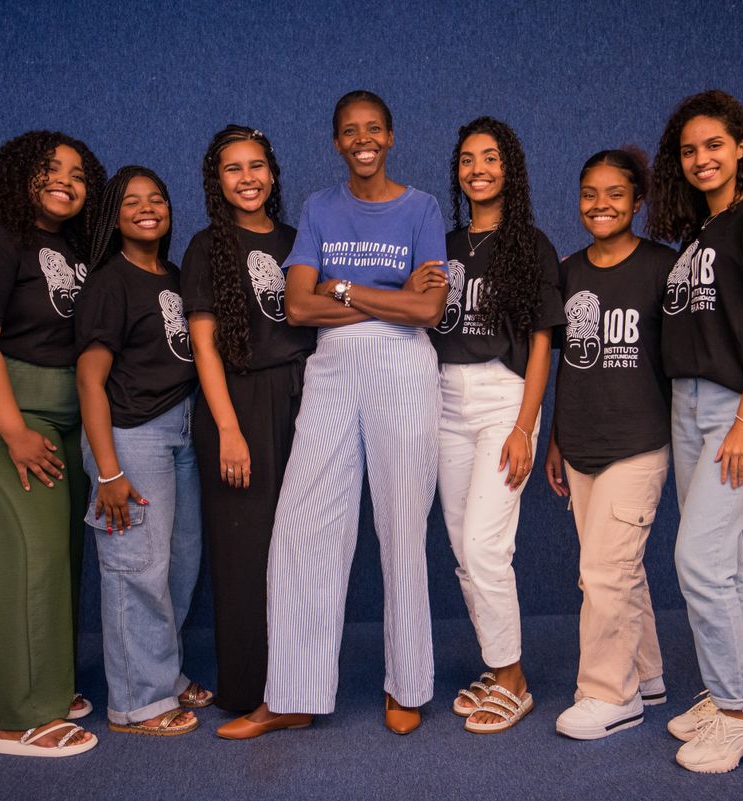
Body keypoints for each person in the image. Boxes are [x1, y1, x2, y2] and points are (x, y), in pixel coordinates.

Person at [216, 90, 448, 739]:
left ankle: (407, 685)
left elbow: (428, 312)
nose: (363, 138)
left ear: (391, 137)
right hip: (332, 368)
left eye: (374, 128)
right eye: (350, 131)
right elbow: (298, 307)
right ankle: (292, 691)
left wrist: (341, 287)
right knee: (299, 528)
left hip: (404, 367)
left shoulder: (422, 208)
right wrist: (390, 297)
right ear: (337, 142)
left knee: (401, 528)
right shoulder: (319, 207)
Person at [0, 130, 105, 757]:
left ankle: (51, 685)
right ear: (18, 175)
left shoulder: (74, 249)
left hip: (60, 417)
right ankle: (24, 719)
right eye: (50, 168)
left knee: (61, 551)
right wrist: (13, 431)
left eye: (79, 174)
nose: (66, 179)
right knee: (29, 547)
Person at [647, 89, 743, 773]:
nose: (702, 158)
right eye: (689, 150)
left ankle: (741, 719)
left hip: (736, 408)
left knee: (698, 559)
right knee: (723, 562)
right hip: (688, 406)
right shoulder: (695, 237)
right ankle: (733, 694)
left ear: (741, 147)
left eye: (714, 145)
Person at [420, 116, 563, 733]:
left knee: (485, 545)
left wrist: (525, 426)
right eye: (468, 160)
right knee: (462, 548)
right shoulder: (443, 243)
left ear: (511, 169)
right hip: (443, 400)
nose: (478, 169)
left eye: (491, 158)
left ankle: (515, 678)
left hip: (502, 401)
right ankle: (496, 662)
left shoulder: (531, 244)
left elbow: (540, 344)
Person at [542, 148, 676, 740]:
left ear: (637, 201)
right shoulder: (568, 272)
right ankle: (646, 675)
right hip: (580, 444)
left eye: (615, 194)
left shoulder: (663, 269)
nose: (601, 205)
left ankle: (609, 695)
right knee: (617, 570)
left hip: (639, 443)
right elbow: (562, 365)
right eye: (590, 194)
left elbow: (701, 344)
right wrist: (554, 439)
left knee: (603, 571)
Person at [182, 125, 315, 712]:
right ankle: (248, 691)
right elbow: (204, 346)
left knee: (303, 548)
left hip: (305, 399)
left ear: (273, 173)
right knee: (243, 554)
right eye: (233, 168)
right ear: (218, 181)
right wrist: (230, 429)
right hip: (238, 405)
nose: (247, 178)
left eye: (256, 165)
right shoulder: (205, 247)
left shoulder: (299, 238)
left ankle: (299, 684)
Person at [74, 166, 209, 737]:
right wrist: (109, 471)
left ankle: (164, 670)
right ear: (115, 215)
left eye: (158, 198)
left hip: (179, 430)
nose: (147, 208)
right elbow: (88, 378)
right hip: (130, 435)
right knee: (135, 568)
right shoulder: (111, 281)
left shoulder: (174, 278)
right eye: (132, 202)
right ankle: (137, 702)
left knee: (179, 563)